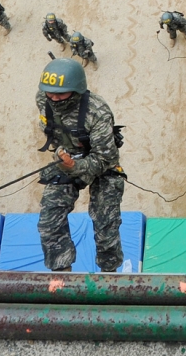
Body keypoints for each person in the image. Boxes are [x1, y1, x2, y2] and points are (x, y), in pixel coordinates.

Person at [35, 58, 126, 273]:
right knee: (49, 219)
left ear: (76, 89)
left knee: (106, 224)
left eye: (61, 94)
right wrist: (61, 155)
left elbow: (105, 158)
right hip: (67, 156)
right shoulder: (43, 98)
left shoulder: (97, 111)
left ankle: (110, 277)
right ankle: (61, 276)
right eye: (51, 93)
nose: (54, 98)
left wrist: (74, 166)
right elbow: (50, 130)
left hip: (101, 164)